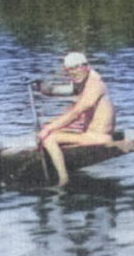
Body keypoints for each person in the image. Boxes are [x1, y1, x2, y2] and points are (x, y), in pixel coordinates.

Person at [36, 52, 116, 187]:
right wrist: (44, 88)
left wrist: (48, 129)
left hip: (99, 137)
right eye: (70, 70)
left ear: (86, 66)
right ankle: (58, 158)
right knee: (52, 127)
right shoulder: (84, 80)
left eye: (77, 68)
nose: (74, 73)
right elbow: (63, 90)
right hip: (89, 134)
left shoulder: (95, 85)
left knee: (49, 137)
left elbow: (76, 112)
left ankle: (63, 179)